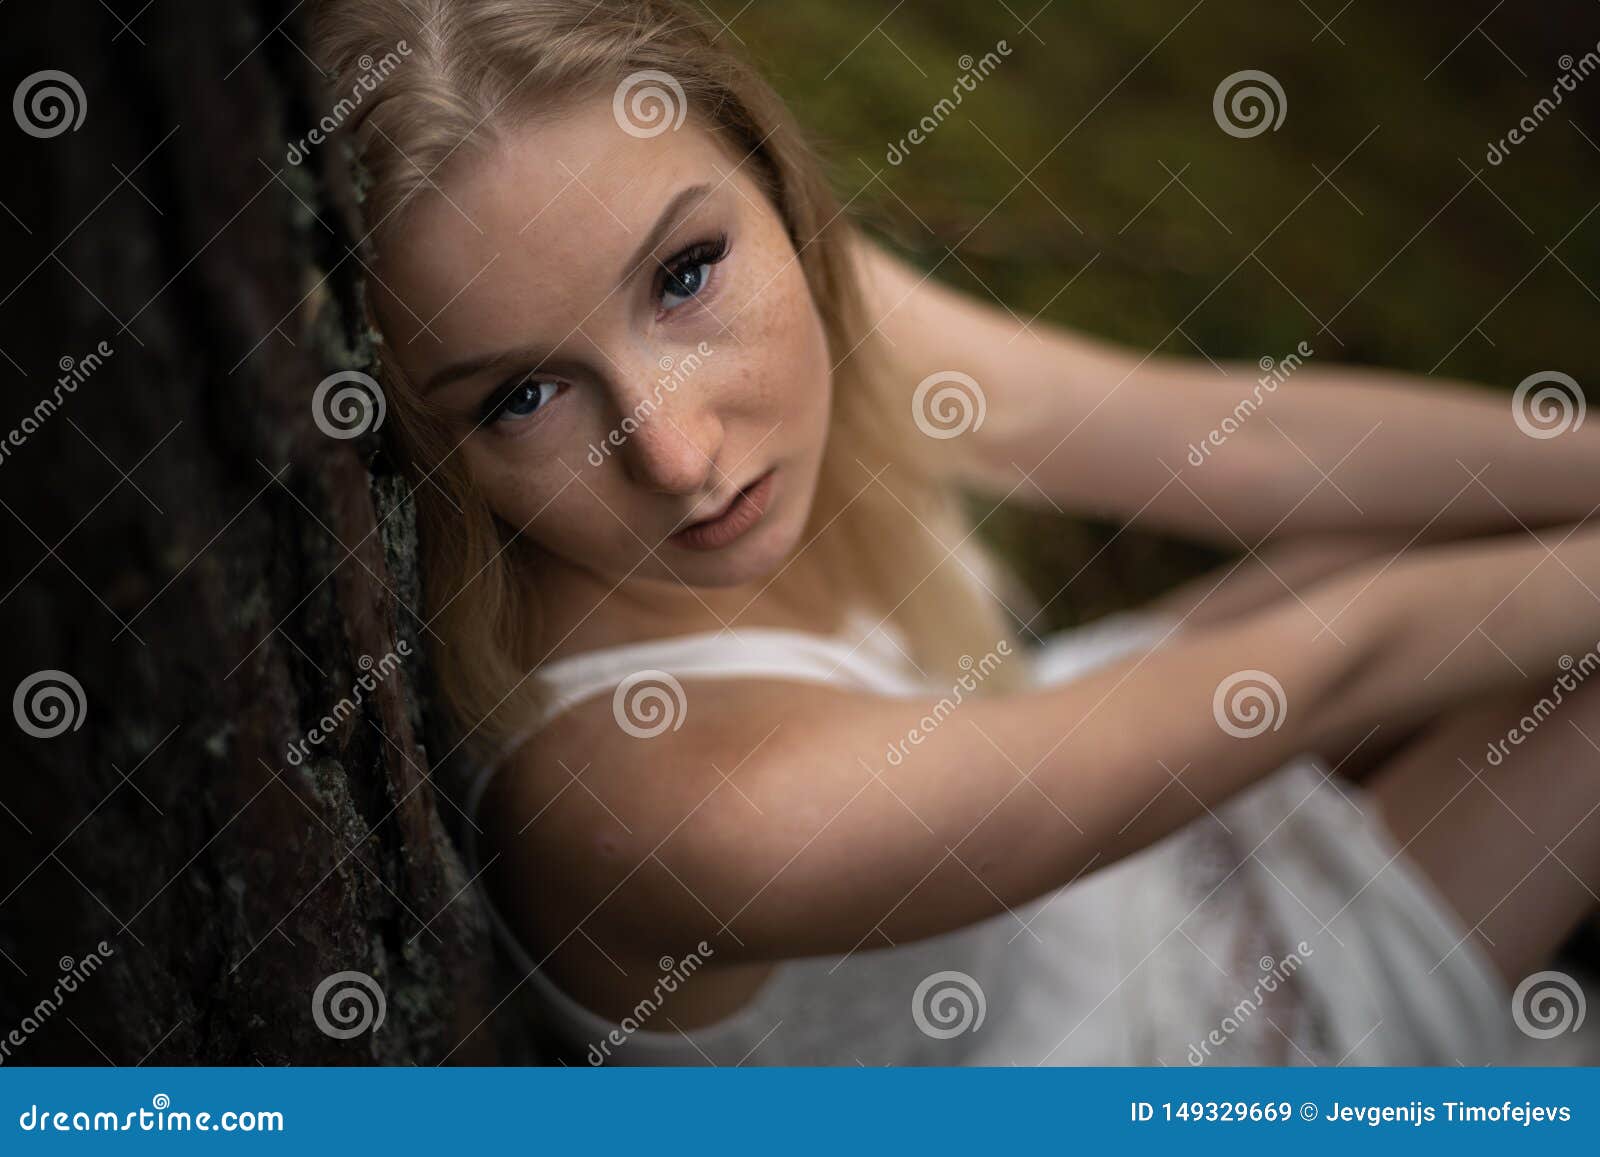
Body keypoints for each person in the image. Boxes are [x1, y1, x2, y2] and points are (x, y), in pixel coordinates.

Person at [311, 0, 1600, 1065]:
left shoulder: (765, 262)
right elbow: (1335, 671)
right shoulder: (644, 801)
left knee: (1463, 530)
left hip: (1094, 797)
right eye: (521, 398)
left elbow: (1243, 443)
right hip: (1204, 1058)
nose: (677, 452)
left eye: (685, 275)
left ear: (773, 186)